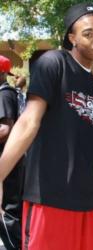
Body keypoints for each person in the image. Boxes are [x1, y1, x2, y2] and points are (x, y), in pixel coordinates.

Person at [0, 3, 93, 249]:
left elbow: (86, 135)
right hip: (49, 198)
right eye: (88, 33)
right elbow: (29, 120)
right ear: (71, 37)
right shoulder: (54, 62)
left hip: (89, 202)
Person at [0, 55, 24, 250]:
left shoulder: (4, 94)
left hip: (9, 162)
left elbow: (5, 129)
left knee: (9, 212)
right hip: (11, 161)